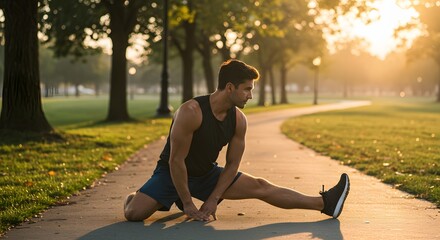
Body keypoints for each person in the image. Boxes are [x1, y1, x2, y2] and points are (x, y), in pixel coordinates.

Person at [124, 59, 350, 222]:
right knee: (134, 214)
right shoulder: (191, 111)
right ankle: (145, 195)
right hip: (171, 174)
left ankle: (325, 203)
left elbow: (232, 164)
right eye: (247, 89)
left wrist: (213, 199)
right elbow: (176, 161)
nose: (250, 96)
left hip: (205, 174)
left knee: (261, 186)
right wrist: (190, 204)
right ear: (230, 88)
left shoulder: (239, 120)